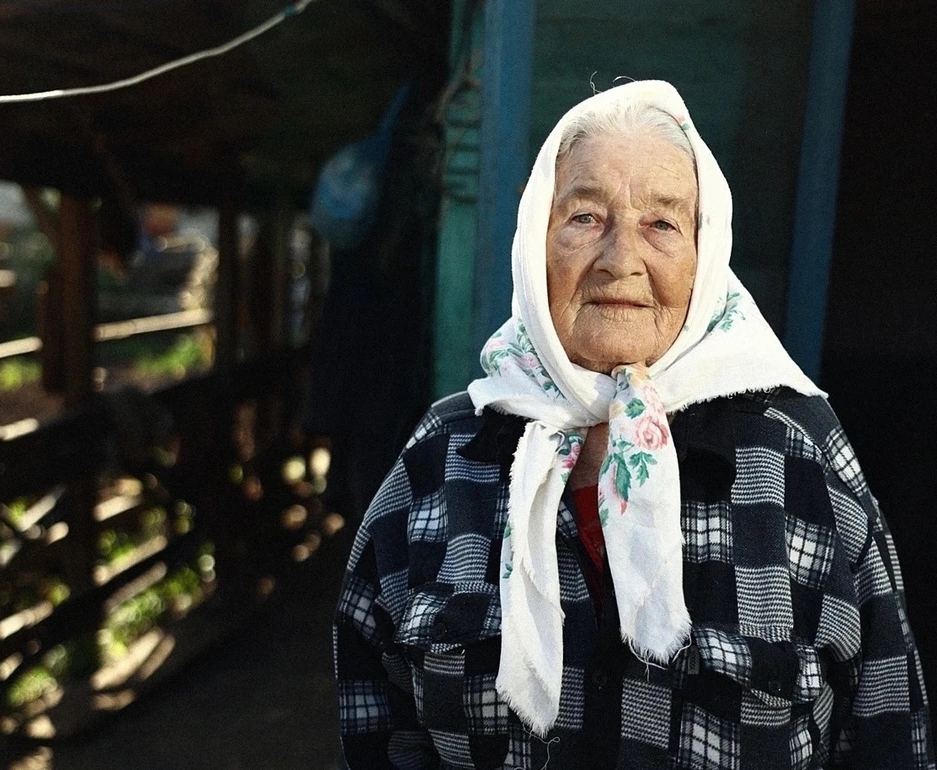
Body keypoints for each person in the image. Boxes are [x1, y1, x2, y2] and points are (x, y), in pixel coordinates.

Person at [333, 80, 934, 769]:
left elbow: (888, 732)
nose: (621, 259)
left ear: (706, 259)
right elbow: (374, 723)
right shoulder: (441, 459)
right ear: (536, 244)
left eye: (662, 224)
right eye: (586, 217)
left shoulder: (798, 462)